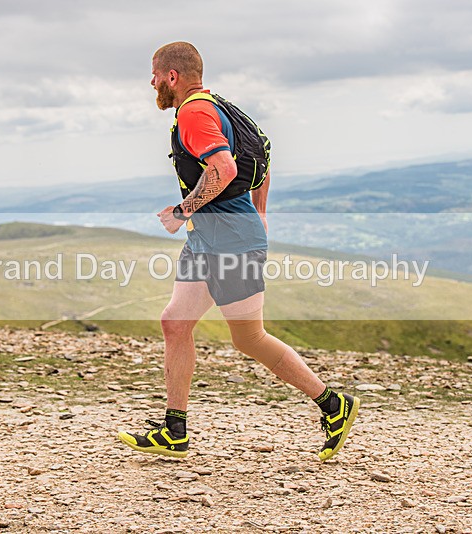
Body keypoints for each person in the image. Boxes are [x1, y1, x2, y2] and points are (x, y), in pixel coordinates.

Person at [117, 41, 359, 461]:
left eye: (155, 74)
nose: (151, 82)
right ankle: (175, 430)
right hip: (210, 237)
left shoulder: (193, 112)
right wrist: (259, 210)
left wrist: (181, 210)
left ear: (172, 77)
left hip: (228, 238)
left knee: (249, 337)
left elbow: (226, 168)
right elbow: (261, 154)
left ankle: (333, 405)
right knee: (175, 322)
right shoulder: (220, 106)